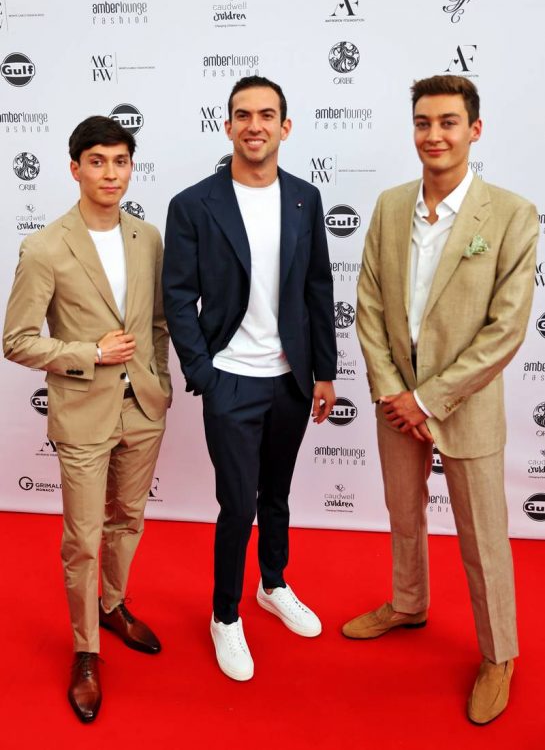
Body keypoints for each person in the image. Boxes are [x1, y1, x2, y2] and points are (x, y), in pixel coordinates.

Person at [343, 75, 538, 724]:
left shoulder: (511, 215)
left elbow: (506, 329)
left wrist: (428, 399)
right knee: (403, 517)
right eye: (423, 123)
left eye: (448, 123)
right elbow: (367, 303)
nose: (434, 135)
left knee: (484, 539)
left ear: (473, 130)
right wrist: (395, 392)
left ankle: (498, 654)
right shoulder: (390, 205)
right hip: (395, 401)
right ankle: (406, 603)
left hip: (463, 406)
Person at [163, 75, 336, 681]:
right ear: (228, 124)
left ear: (285, 127)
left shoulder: (304, 198)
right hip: (229, 379)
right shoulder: (193, 204)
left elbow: (319, 288)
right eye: (243, 114)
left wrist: (324, 372)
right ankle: (224, 616)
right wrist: (202, 372)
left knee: (277, 497)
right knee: (237, 504)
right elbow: (179, 297)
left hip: (291, 378)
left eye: (267, 115)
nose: (255, 124)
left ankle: (273, 583)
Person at [3, 116, 171, 723]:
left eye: (119, 160)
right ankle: (85, 649)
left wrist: (161, 384)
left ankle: (114, 604)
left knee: (129, 518)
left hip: (143, 409)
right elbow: (16, 340)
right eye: (96, 161)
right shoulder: (45, 246)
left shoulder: (148, 237)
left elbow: (155, 323)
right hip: (81, 412)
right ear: (75, 168)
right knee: (82, 539)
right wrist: (88, 354)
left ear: (131, 167)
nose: (109, 172)